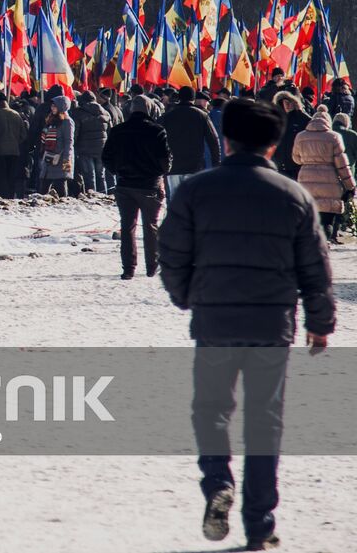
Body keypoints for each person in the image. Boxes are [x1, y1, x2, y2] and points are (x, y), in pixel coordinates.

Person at [159, 98, 335, 552]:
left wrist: (185, 296)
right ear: (274, 145)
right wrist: (320, 321)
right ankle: (259, 523)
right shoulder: (293, 195)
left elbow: (172, 252)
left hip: (215, 318)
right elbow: (315, 266)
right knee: (265, 419)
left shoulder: (195, 191)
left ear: (226, 138)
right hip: (272, 322)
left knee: (211, 410)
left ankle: (218, 478)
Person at [101, 96, 172, 279]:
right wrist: (157, 172)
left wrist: (117, 171)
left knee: (127, 227)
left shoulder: (118, 131)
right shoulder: (157, 131)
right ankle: (152, 266)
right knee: (151, 227)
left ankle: (128, 268)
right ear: (150, 110)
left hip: (125, 184)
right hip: (150, 185)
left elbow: (106, 157)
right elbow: (166, 161)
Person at [290, 105, 356, 244]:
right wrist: (350, 186)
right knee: (327, 221)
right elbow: (342, 165)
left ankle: (311, 246)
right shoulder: (334, 137)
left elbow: (296, 158)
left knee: (311, 219)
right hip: (330, 183)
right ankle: (323, 245)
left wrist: (309, 161)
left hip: (306, 180)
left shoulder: (301, 136)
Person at [162, 87, 221, 195]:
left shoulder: (168, 116)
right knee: (192, 200)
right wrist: (216, 164)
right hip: (195, 166)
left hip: (173, 166)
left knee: (175, 200)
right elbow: (214, 141)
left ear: (179, 98)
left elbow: (159, 139)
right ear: (193, 99)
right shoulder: (202, 115)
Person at [71, 91, 112, 193]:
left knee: (89, 176)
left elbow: (75, 133)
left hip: (85, 149)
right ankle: (103, 196)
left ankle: (92, 197)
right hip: (102, 149)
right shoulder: (105, 112)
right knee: (101, 175)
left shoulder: (79, 113)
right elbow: (110, 131)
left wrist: (74, 146)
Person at [39, 96, 75, 196]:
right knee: (44, 186)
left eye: (55, 106)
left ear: (61, 107)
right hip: (49, 157)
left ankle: (63, 207)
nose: (52, 108)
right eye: (52, 105)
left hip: (60, 158)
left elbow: (69, 141)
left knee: (60, 185)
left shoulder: (67, 121)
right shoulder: (51, 119)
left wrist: (66, 159)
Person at [271, 92, 309, 180]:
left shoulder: (302, 118)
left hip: (296, 165)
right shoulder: (277, 119)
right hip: (281, 165)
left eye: (287, 102)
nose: (286, 106)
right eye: (283, 103)